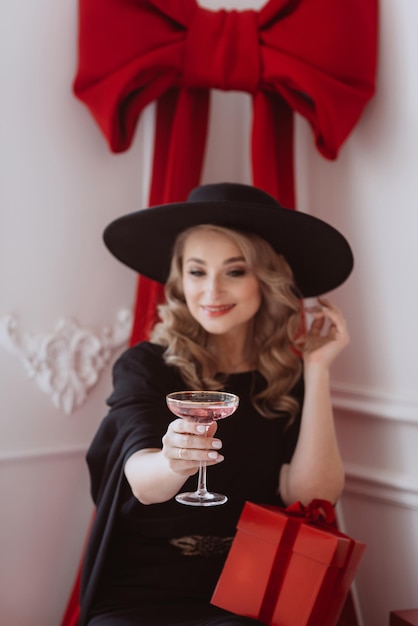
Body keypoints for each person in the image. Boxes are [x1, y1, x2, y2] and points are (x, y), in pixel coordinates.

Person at [79, 182, 353, 626]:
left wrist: (317, 369)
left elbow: (314, 496)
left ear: (267, 279)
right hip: (144, 589)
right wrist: (173, 460)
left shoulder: (286, 377)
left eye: (235, 271)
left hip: (253, 585)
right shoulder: (146, 366)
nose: (211, 291)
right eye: (197, 271)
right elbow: (146, 484)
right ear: (179, 280)